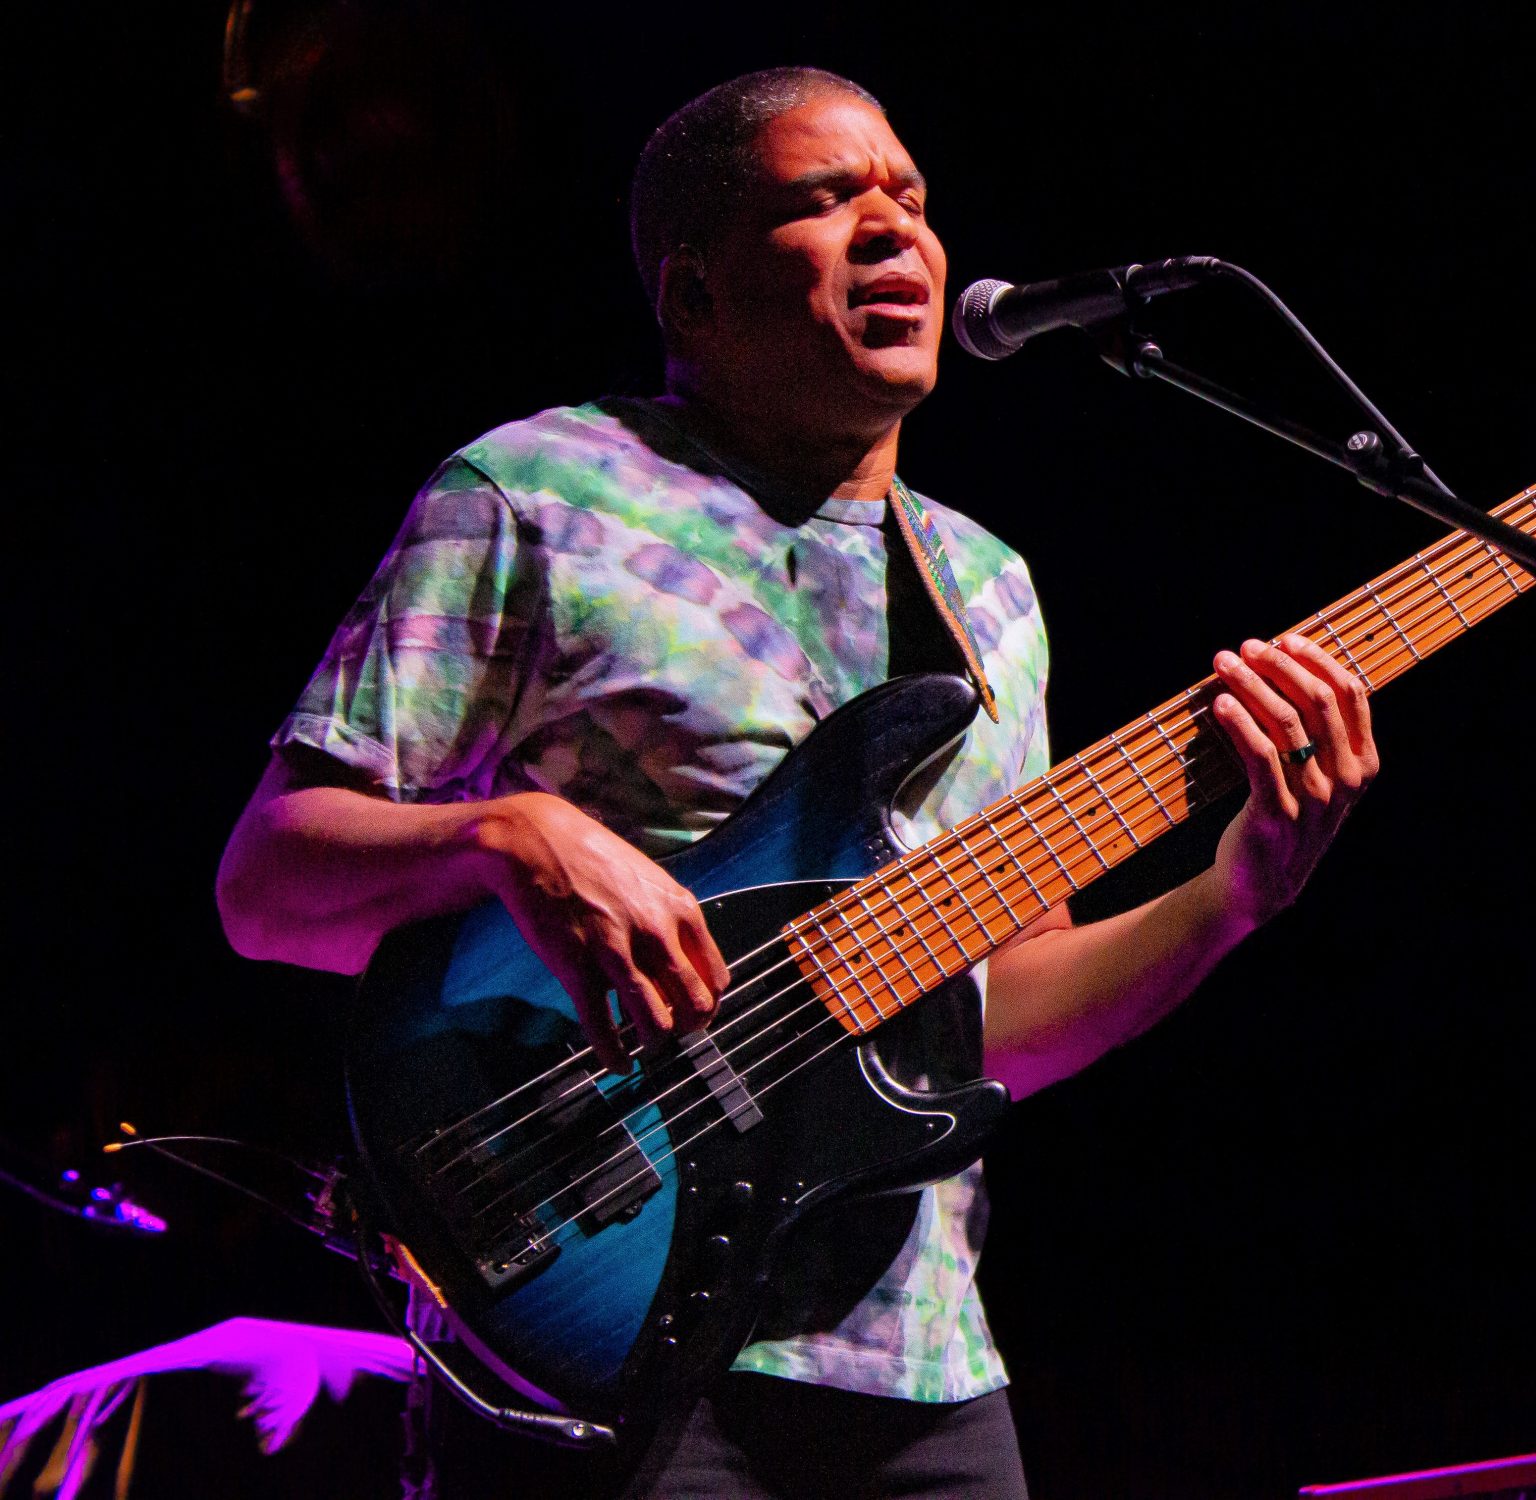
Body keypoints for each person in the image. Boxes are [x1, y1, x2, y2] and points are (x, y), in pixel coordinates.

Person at [214, 66, 1381, 1500]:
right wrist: (503, 838)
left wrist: (1230, 899)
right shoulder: (539, 490)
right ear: (692, 294)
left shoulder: (990, 591)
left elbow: (996, 1016)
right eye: (828, 202)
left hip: (923, 1375)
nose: (894, 229)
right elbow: (269, 887)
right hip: (611, 1349)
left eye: (909, 197)